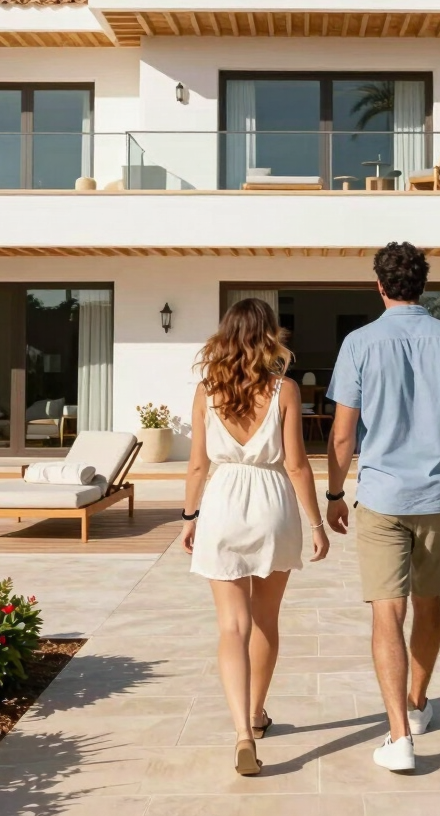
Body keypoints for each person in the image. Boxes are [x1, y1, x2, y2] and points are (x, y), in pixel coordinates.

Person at [325, 242, 440, 772]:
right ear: (424, 286)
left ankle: (399, 736)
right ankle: (417, 705)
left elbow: (343, 432)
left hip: (380, 496)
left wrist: (333, 494)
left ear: (379, 285)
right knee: (427, 603)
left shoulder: (359, 343)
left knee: (386, 612)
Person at [182, 298, 330, 777]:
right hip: (271, 503)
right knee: (266, 619)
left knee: (232, 626)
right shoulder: (284, 389)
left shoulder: (207, 390)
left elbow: (198, 464)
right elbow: (296, 464)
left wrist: (189, 517)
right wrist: (316, 522)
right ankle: (256, 713)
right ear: (270, 334)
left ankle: (243, 735)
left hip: (222, 503)